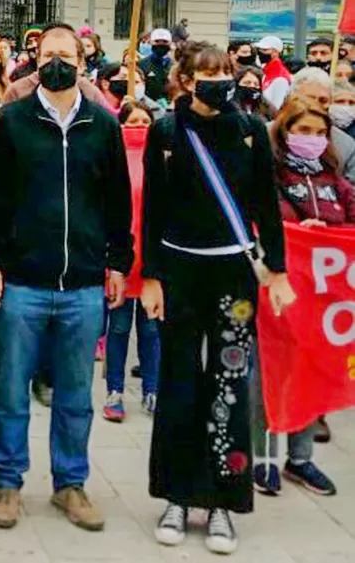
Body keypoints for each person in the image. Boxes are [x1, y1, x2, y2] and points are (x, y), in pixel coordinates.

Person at [0, 24, 132, 533]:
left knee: (73, 393)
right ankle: (7, 481)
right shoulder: (11, 120)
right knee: (12, 389)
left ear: (84, 61)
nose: (57, 62)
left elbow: (117, 203)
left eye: (67, 54)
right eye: (48, 55)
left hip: (84, 284)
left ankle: (71, 482)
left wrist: (118, 263)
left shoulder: (103, 125)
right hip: (22, 281)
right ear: (34, 60)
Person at [141, 42, 295, 555]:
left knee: (230, 384)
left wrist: (277, 267)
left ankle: (225, 501)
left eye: (222, 71)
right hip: (181, 272)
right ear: (184, 78)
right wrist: (152, 278)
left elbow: (265, 205)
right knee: (180, 383)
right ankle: (177, 496)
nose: (216, 80)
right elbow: (155, 211)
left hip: (235, 278)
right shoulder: (166, 131)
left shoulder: (250, 130)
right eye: (204, 72)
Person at [250, 96, 353, 498]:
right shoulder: (268, 176)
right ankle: (264, 458)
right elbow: (259, 220)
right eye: (302, 130)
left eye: (319, 133)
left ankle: (301, 457)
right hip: (275, 296)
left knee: (309, 372)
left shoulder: (335, 181)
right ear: (284, 131)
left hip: (321, 301)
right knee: (267, 375)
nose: (311, 138)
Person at [103, 102, 159, 423]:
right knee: (119, 328)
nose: (139, 125)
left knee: (151, 330)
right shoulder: (113, 160)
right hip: (120, 260)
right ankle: (115, 390)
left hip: (152, 262)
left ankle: (152, 390)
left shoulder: (164, 160)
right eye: (133, 120)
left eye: (145, 121)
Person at [290, 67, 355, 185]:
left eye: (323, 100)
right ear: (292, 98)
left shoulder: (346, 145)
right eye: (309, 98)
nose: (315, 104)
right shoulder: (268, 134)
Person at [254, 36, 291, 109]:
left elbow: (277, 107)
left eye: (265, 50)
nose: (260, 53)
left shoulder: (280, 77)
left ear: (276, 52)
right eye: (259, 50)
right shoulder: (266, 70)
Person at [142, 29, 173, 102]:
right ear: (151, 42)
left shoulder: (176, 65)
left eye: (165, 41)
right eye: (157, 41)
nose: (161, 44)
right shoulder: (142, 64)